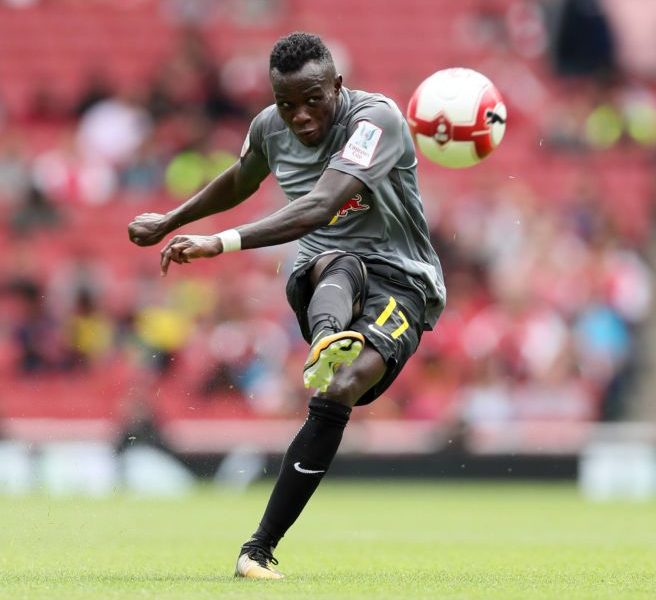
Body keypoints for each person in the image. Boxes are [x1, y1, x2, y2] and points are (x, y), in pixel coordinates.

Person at [127, 32, 446, 580]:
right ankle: (328, 341)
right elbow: (240, 179)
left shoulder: (376, 121)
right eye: (286, 103)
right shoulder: (268, 128)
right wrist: (171, 220)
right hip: (323, 272)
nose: (298, 116)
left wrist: (219, 242)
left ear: (338, 87)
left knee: (342, 388)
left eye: (312, 100)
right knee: (338, 262)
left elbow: (322, 204)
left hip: (403, 281)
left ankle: (257, 549)